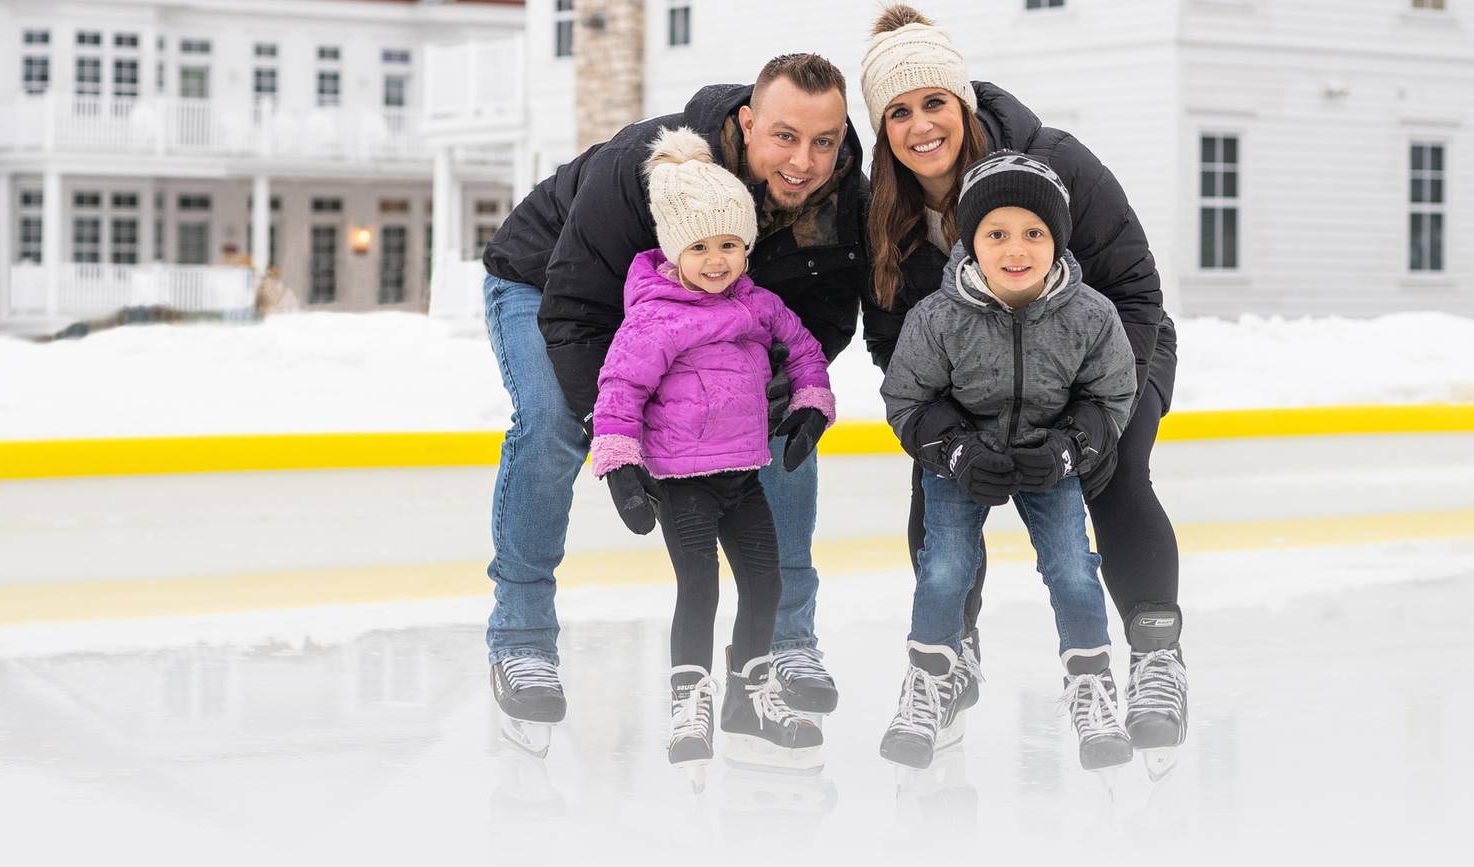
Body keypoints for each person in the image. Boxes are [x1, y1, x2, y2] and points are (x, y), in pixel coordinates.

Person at [479, 54, 869, 742]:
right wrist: (618, 429)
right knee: (553, 426)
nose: (804, 161)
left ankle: (785, 642)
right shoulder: (643, 167)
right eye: (785, 136)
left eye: (824, 141)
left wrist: (788, 384)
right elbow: (574, 308)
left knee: (776, 424)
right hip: (551, 287)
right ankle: (522, 640)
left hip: (711, 310)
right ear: (747, 123)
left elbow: (828, 308)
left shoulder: (839, 195)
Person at [858, 5, 1188, 773]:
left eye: (934, 101)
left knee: (1114, 474)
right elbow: (892, 342)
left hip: (1107, 355)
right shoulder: (884, 208)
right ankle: (951, 659)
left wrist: (1090, 425)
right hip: (970, 375)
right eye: (898, 112)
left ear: (963, 102)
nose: (920, 126)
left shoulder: (1052, 162)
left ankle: (1156, 660)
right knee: (938, 482)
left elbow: (1136, 288)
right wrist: (943, 433)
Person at [878, 151, 1137, 773]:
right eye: (997, 234)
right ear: (971, 242)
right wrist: (954, 447)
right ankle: (928, 681)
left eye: (1034, 234)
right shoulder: (938, 318)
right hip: (963, 460)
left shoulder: (1091, 316)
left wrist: (1072, 446)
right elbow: (907, 397)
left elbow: (1113, 394)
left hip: (1050, 460)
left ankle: (1090, 685)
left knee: (1074, 569)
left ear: (1057, 240)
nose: (1015, 250)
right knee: (945, 568)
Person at [590, 128, 836, 772]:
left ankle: (750, 698)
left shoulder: (758, 305)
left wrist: (811, 403)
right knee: (699, 587)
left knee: (767, 582)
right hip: (680, 482)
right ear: (674, 252)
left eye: (730, 244)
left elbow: (805, 349)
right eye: (700, 247)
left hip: (742, 475)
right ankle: (689, 700)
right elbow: (619, 389)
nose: (718, 260)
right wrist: (620, 467)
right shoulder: (655, 317)